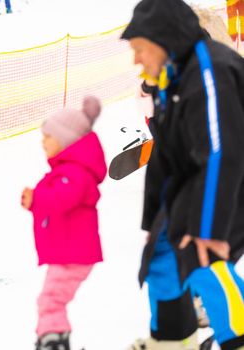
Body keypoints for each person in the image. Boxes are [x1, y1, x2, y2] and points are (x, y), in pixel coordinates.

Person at [121, 0, 244, 349]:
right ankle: (174, 340)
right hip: (201, 180)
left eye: (140, 49)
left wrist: (210, 229)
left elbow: (222, 154)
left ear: (165, 39)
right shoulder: (171, 79)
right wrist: (153, 223)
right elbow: (164, 157)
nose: (136, 59)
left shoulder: (210, 72)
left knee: (202, 256)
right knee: (162, 257)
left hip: (232, 180)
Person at [21, 96, 106, 350]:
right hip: (68, 253)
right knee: (51, 300)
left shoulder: (75, 172)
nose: (42, 141)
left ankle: (53, 341)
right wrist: (35, 201)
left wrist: (37, 198)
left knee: (50, 300)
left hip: (73, 255)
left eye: (48, 136)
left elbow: (62, 200)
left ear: (66, 139)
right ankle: (55, 339)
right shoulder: (69, 170)